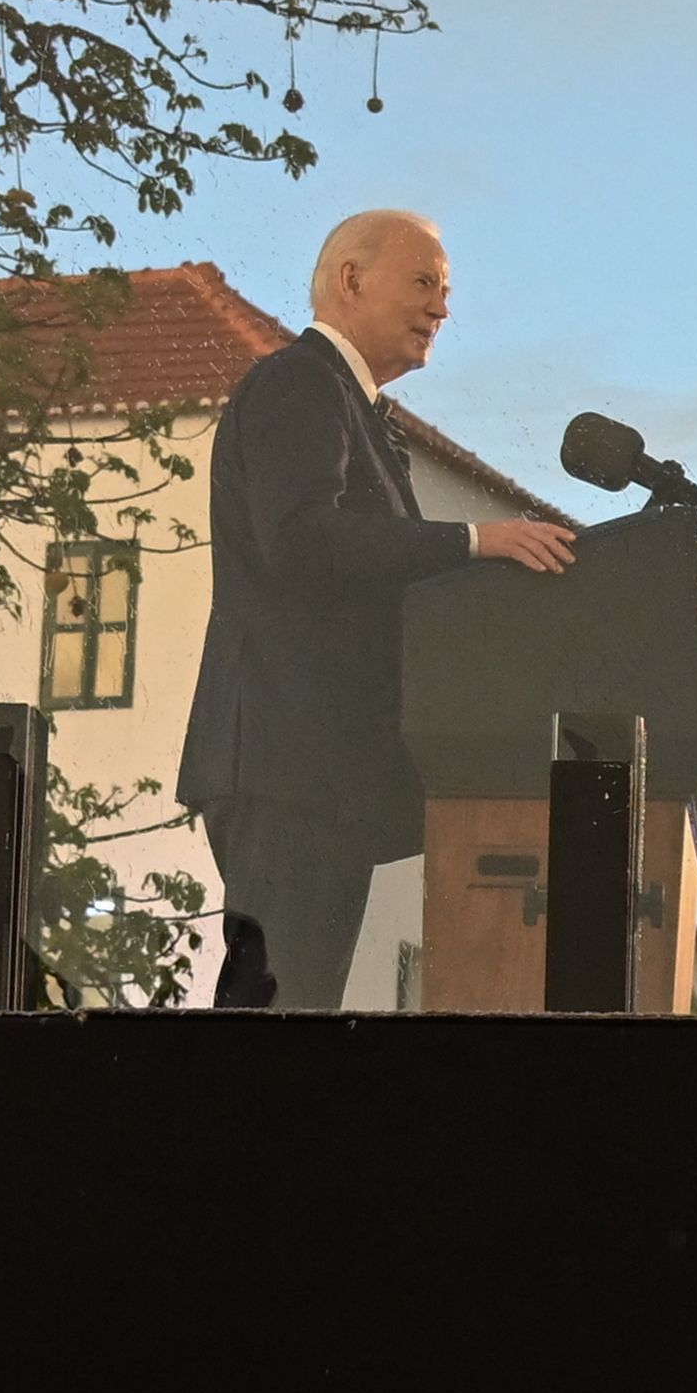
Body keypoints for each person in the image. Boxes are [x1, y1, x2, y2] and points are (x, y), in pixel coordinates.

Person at [177, 211, 577, 1006]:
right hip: (287, 762)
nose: (441, 308)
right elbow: (301, 539)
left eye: (447, 290)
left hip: (320, 772)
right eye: (424, 282)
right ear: (351, 279)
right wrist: (474, 543)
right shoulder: (299, 380)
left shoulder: (349, 405)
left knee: (298, 1006)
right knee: (277, 1010)